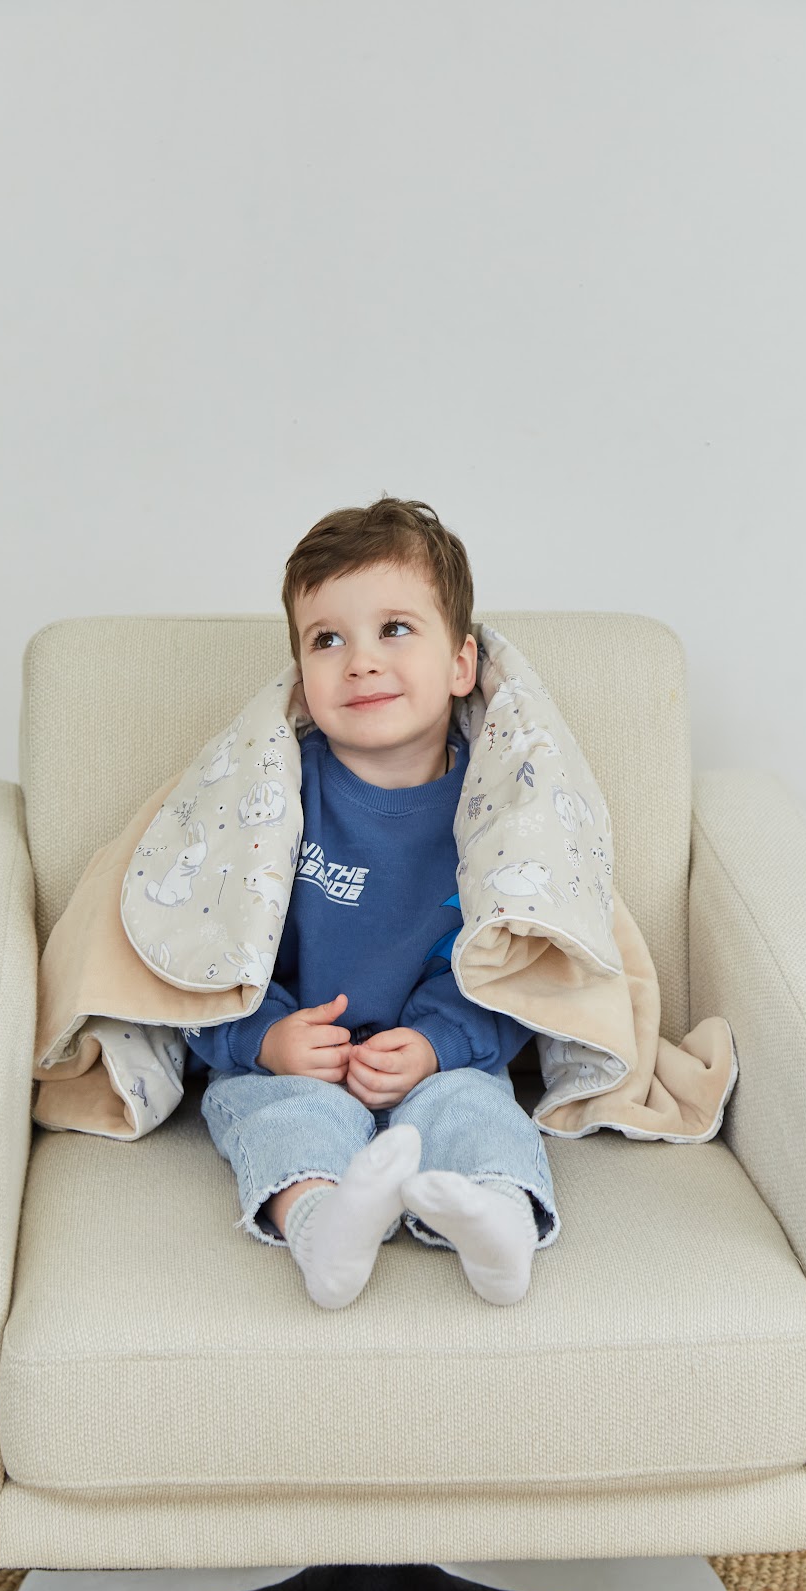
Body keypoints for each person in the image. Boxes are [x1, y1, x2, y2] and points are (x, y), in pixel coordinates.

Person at [182, 495, 559, 1310]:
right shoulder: (269, 799)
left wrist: (433, 1045)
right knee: (275, 1114)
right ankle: (322, 1228)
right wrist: (268, 1038)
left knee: (474, 1108)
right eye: (327, 639)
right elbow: (206, 947)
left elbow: (521, 962)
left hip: (434, 1058)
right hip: (297, 1058)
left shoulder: (496, 812)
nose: (360, 661)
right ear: (300, 674)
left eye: (394, 628)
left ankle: (499, 1223)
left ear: (460, 665)